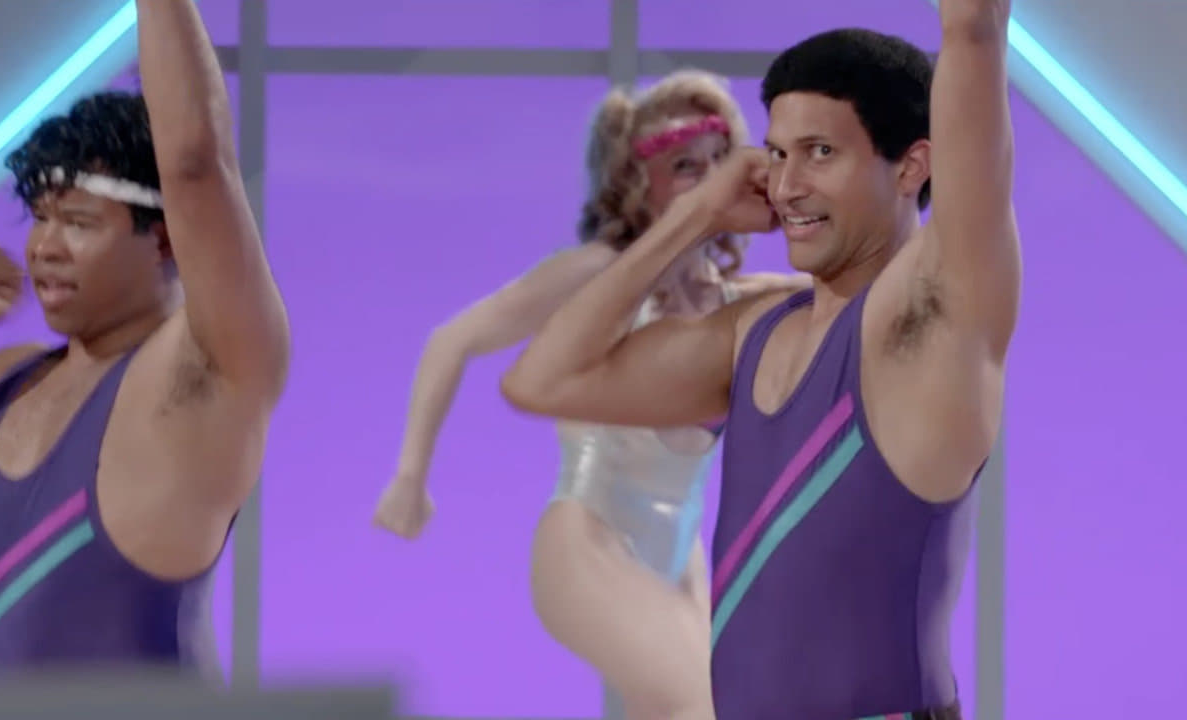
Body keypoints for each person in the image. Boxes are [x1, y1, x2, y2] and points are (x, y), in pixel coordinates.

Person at [501, 4, 1019, 719]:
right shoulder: (752, 331)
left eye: (820, 152)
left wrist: (973, 29)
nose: (786, 185)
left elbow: (973, 40)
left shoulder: (930, 321)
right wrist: (696, 216)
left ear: (912, 166)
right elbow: (546, 380)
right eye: (776, 154)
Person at [374, 71, 806, 720]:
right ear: (638, 182)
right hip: (586, 542)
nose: (710, 181)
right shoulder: (598, 276)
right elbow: (452, 340)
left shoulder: (735, 299)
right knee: (702, 706)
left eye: (720, 160)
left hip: (679, 556)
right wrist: (410, 478)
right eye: (685, 166)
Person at [0, 0, 289, 689]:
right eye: (39, 218)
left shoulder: (206, 369)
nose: (44, 247)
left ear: (163, 239)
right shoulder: (0, 386)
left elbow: (196, 164)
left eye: (78, 222)